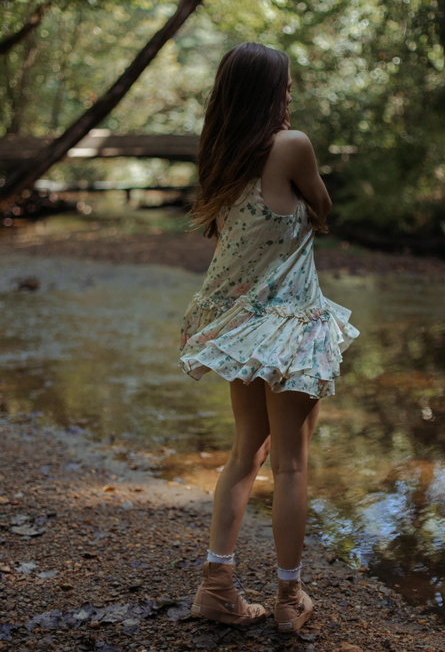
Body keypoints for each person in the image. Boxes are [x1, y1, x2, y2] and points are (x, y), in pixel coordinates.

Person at [178, 41, 360, 633]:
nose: (289, 95)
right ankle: (289, 599)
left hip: (243, 327)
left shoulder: (221, 157)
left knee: (243, 455)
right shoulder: (292, 146)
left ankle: (216, 587)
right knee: (289, 465)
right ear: (264, 93)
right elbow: (323, 205)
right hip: (291, 327)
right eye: (283, 86)